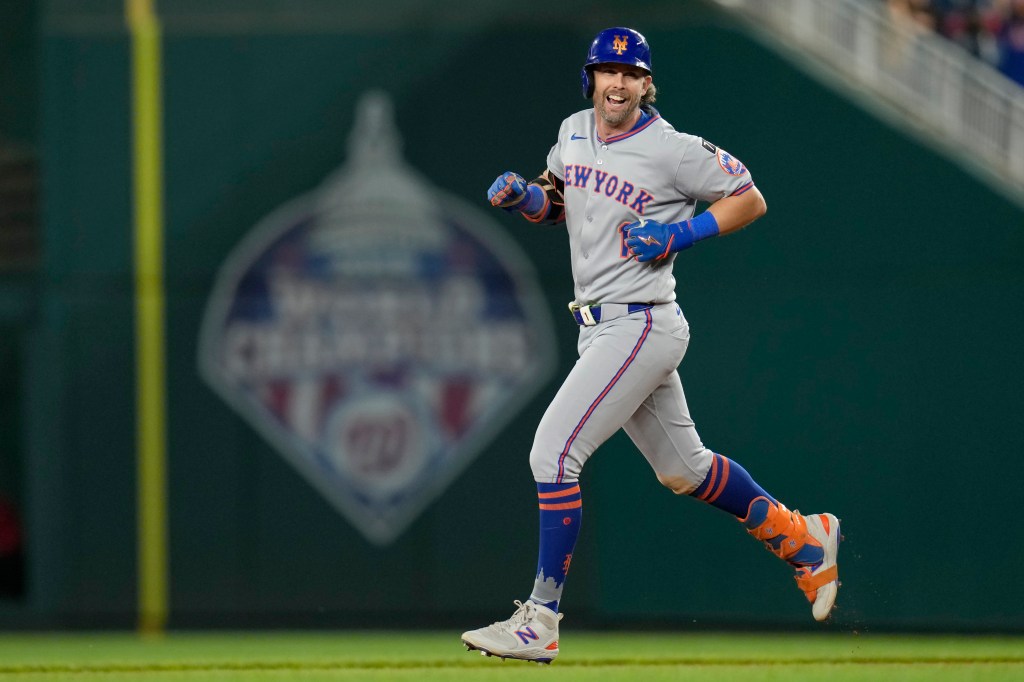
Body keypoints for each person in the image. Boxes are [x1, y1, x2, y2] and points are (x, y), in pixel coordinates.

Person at [461, 27, 841, 664]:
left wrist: (679, 234)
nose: (618, 83)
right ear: (592, 79)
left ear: (646, 83)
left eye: (630, 73)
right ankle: (802, 537)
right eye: (607, 72)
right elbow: (560, 202)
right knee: (683, 470)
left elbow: (749, 198)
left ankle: (541, 618)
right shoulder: (572, 129)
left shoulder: (671, 150)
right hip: (601, 326)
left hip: (640, 323)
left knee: (553, 454)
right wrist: (526, 197)